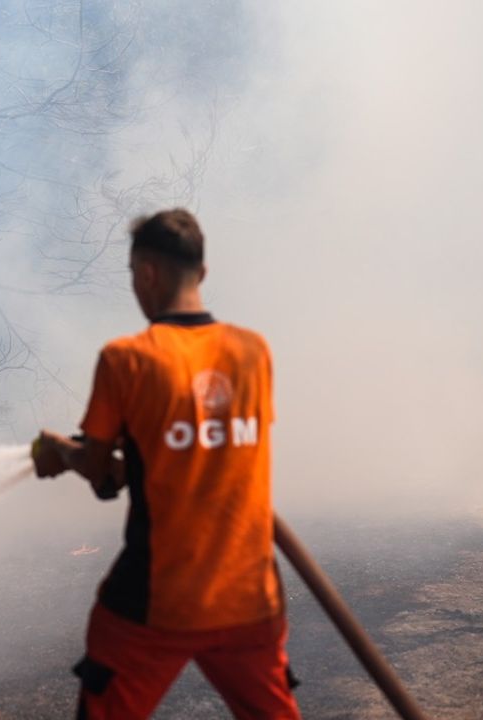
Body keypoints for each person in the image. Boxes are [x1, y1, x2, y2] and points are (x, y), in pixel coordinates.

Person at [33, 208, 301, 720]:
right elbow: (201, 454)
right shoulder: (253, 351)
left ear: (147, 272)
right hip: (250, 596)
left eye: (133, 275)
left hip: (156, 602)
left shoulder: (127, 359)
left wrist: (60, 453)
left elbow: (101, 470)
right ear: (201, 273)